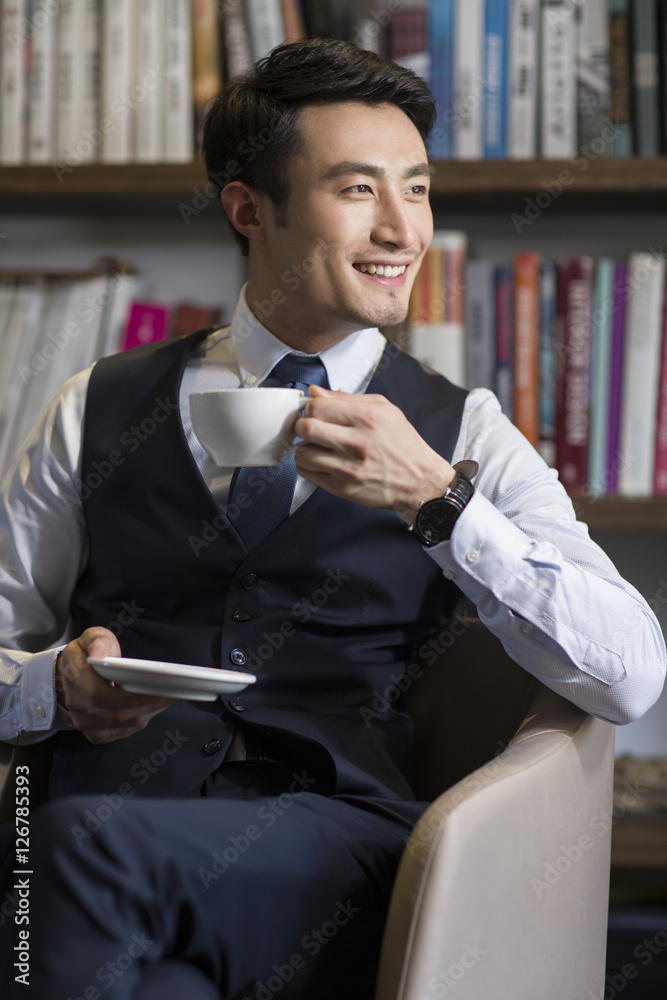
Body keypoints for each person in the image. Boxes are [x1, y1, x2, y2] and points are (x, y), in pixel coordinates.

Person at [0, 37, 665, 1000]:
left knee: (73, 855)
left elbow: (632, 674)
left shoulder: (463, 430)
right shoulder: (94, 406)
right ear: (247, 209)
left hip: (335, 854)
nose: (402, 230)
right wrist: (51, 690)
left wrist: (439, 503)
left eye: (418, 189)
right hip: (111, 846)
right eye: (357, 190)